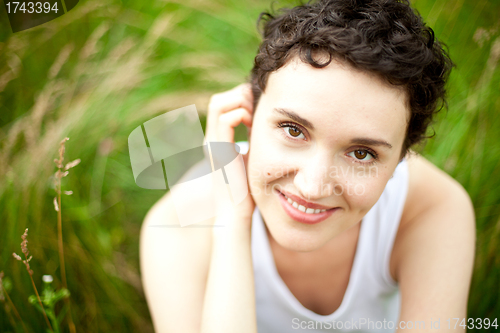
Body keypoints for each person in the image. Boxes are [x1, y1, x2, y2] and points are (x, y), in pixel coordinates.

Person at [139, 0, 476, 332]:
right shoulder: (176, 227)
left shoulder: (430, 209)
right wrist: (232, 223)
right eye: (294, 130)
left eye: (361, 154)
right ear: (251, 116)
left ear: (402, 158)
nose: (312, 187)